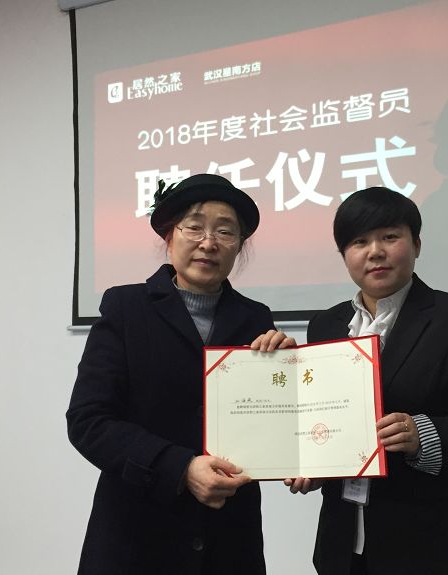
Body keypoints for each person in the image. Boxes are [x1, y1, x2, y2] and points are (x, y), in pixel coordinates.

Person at [286, 187, 448, 575]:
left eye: (389, 236)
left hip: (432, 542)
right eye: (359, 242)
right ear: (344, 254)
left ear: (416, 244)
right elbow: (325, 418)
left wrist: (425, 436)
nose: (375, 251)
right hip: (340, 543)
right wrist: (311, 463)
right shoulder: (326, 324)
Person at [67, 173, 293, 575]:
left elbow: (268, 424)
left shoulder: (255, 319)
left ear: (239, 245)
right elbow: (89, 421)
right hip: (138, 535)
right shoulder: (125, 308)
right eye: (194, 226)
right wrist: (181, 469)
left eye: (225, 231)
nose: (209, 242)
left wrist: (289, 377)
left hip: (229, 539)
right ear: (169, 235)